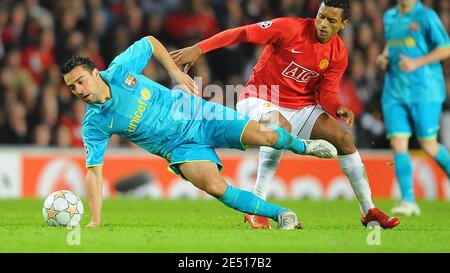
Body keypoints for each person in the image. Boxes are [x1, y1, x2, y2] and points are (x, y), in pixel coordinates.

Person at [171, 0, 400, 229]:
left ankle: (368, 210)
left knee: (343, 138)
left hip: (301, 106)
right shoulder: (290, 28)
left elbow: (327, 93)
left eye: (331, 21)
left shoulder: (338, 53)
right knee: (281, 127)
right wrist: (199, 48)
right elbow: (244, 32)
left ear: (343, 24)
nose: (322, 24)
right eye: (321, 17)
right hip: (259, 97)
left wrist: (338, 108)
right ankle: (256, 206)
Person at [61, 35, 339, 230]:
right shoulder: (94, 123)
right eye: (72, 88)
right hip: (180, 149)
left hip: (201, 115)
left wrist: (174, 73)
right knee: (215, 187)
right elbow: (94, 171)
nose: (79, 91)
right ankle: (282, 215)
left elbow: (150, 42)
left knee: (266, 136)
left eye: (81, 82)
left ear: (96, 74)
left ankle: (304, 147)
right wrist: (95, 220)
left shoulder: (121, 71)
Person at [376, 0, 450, 216]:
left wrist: (417, 62)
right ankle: (408, 200)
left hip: (424, 89)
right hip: (395, 90)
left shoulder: (427, 16)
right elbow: (391, 43)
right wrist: (384, 56)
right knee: (398, 142)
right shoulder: (389, 16)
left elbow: (445, 48)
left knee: (429, 145)